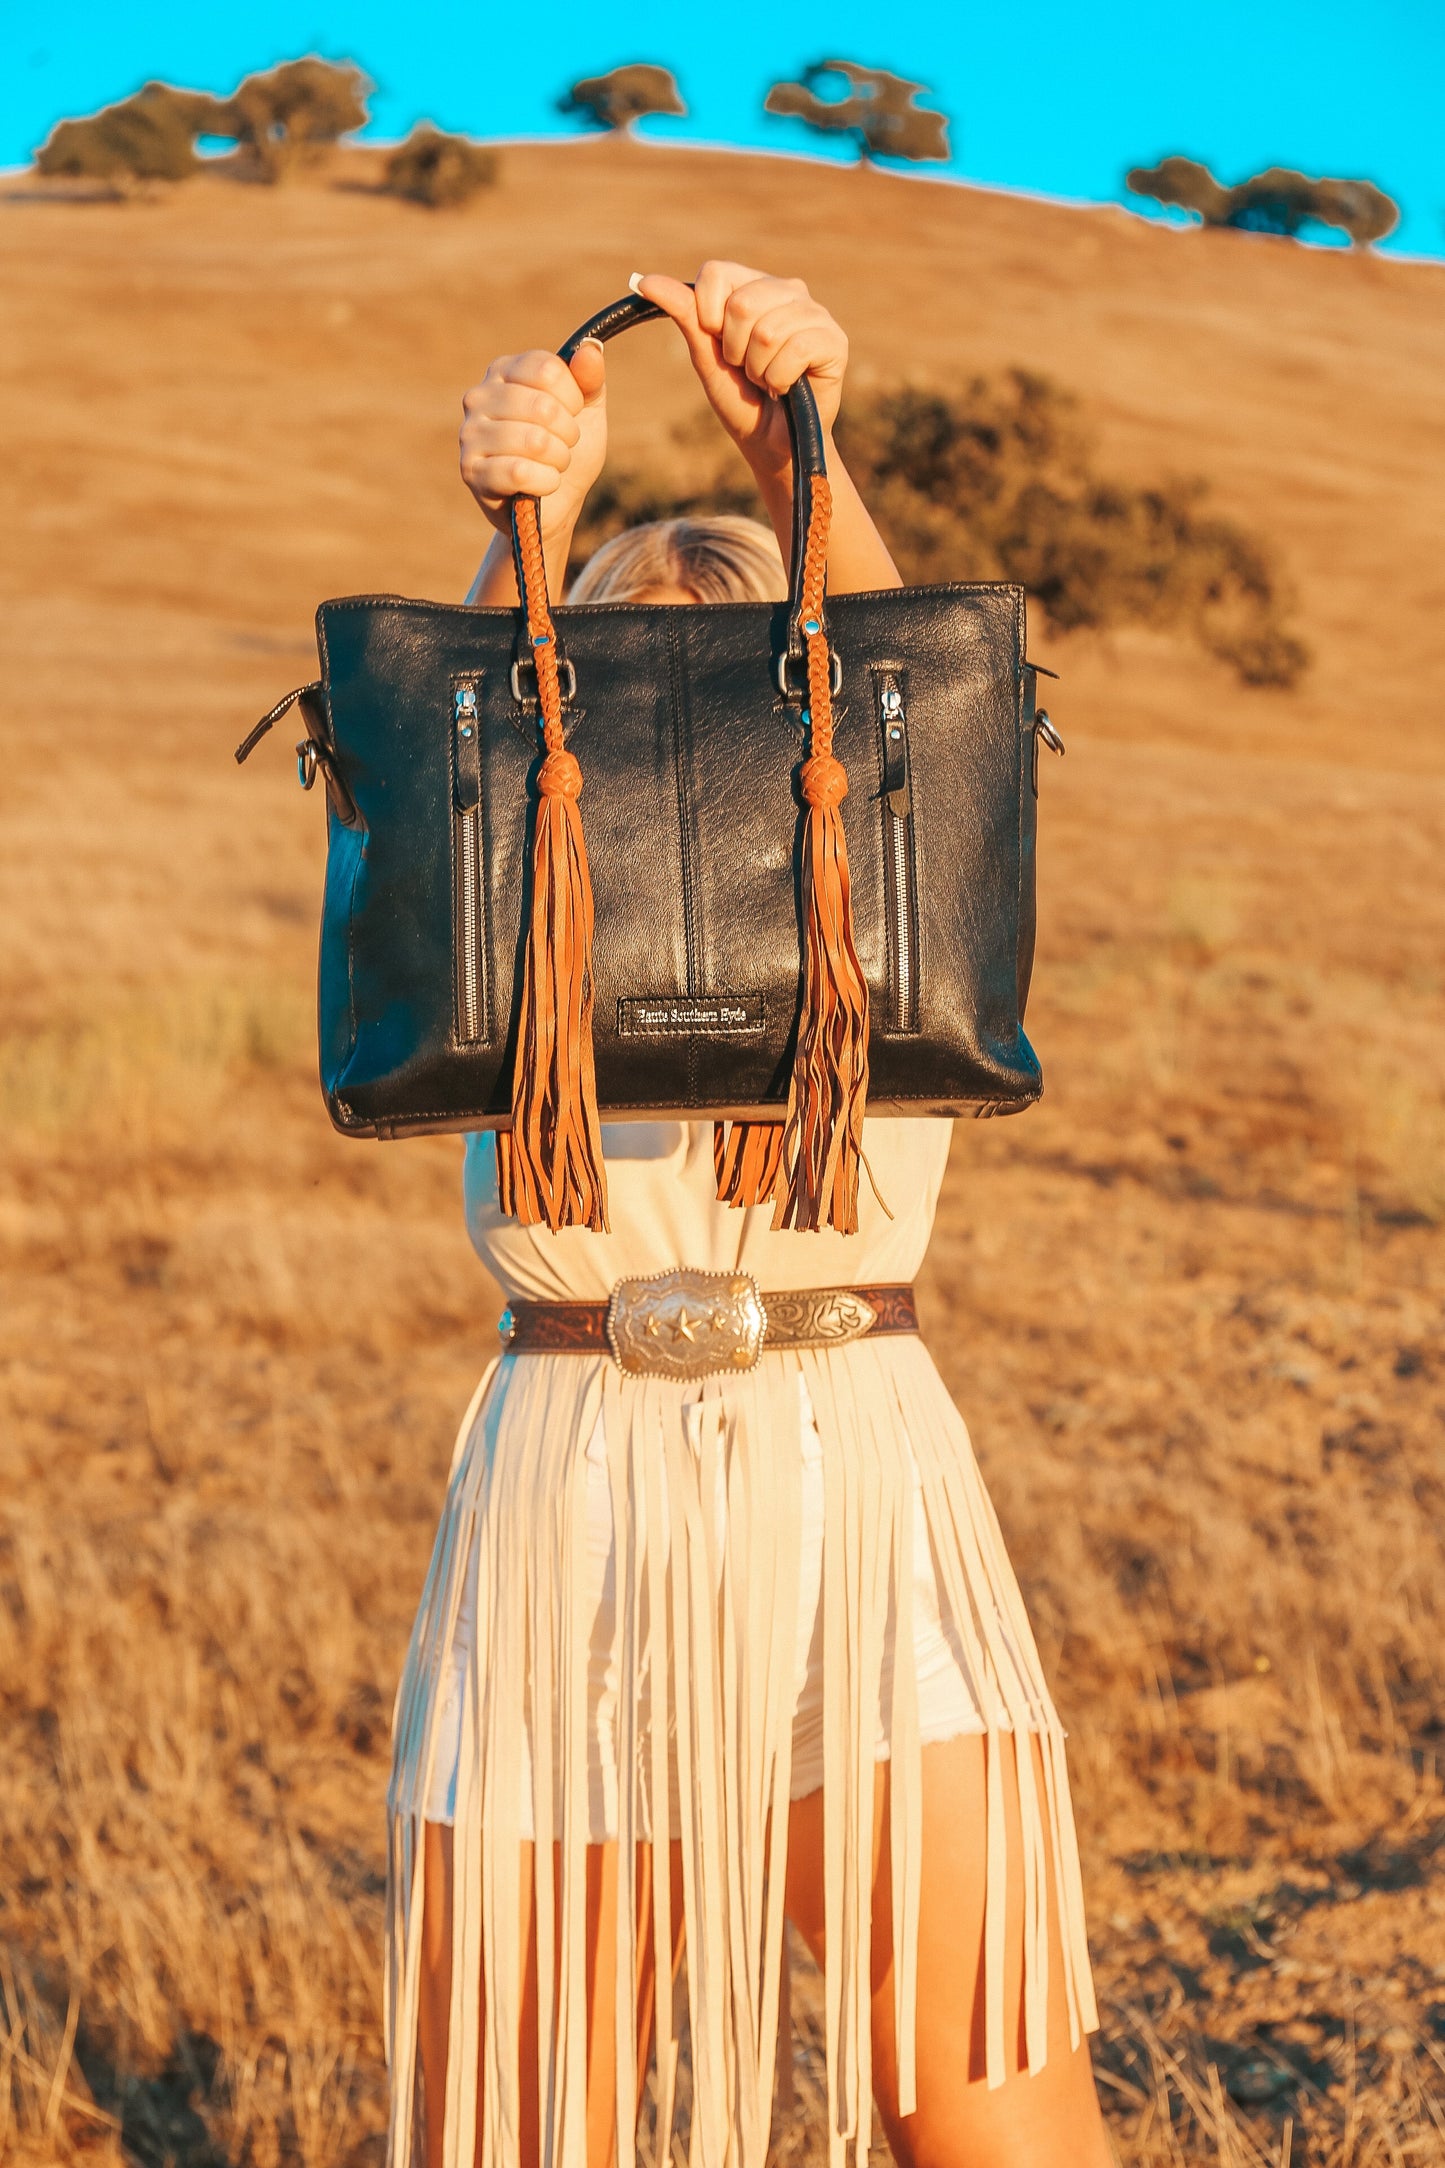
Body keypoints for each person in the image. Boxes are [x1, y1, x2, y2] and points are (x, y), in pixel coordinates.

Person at [385, 262, 1111, 2168]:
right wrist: (518, 536)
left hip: (852, 1467)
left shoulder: (888, 859)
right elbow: (433, 793)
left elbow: (929, 740)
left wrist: (803, 467)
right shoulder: (513, 882)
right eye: (638, 697)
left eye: (753, 687)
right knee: (521, 2133)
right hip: (565, 1479)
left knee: (992, 2107)